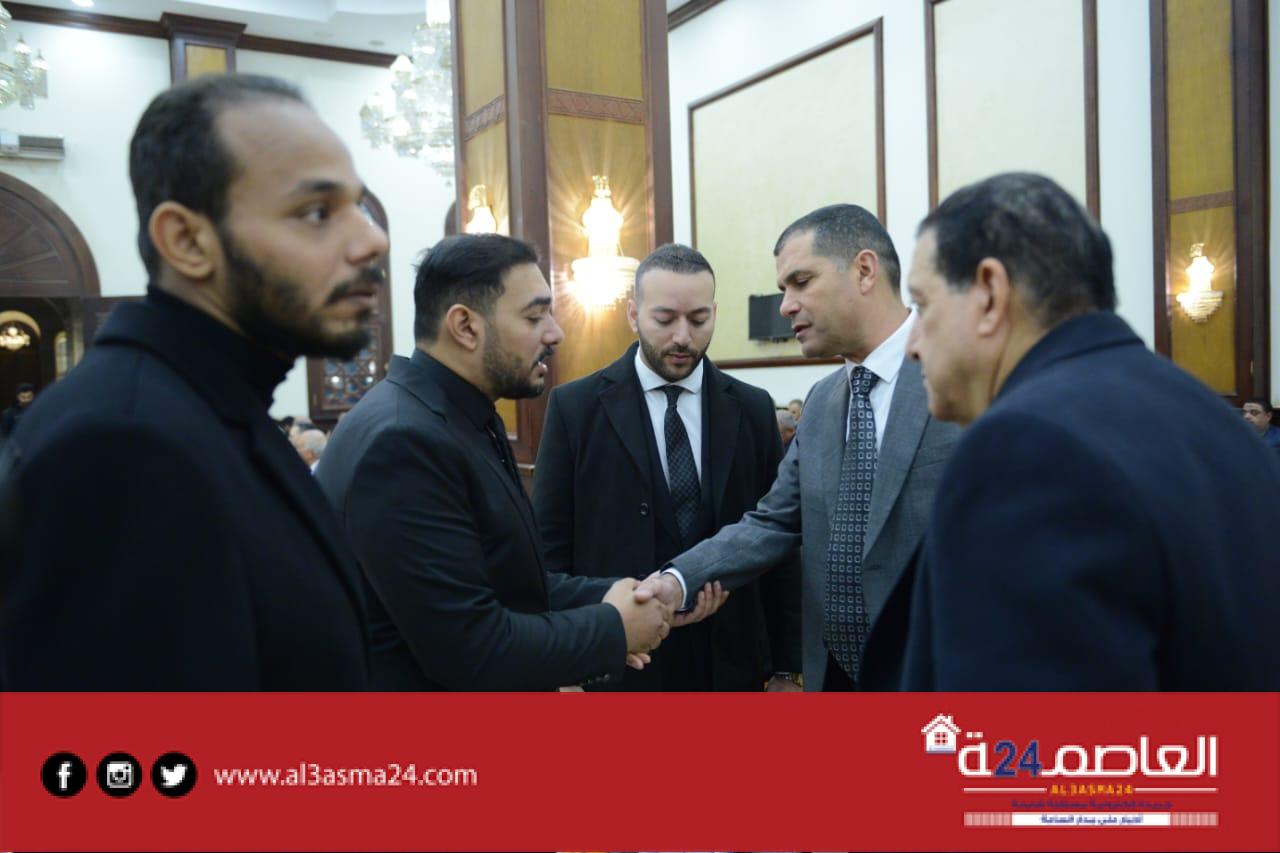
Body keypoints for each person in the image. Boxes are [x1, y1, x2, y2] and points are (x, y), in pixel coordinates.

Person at [0, 74, 386, 690]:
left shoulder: (212, 406)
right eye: (316, 213)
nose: (373, 239)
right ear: (186, 241)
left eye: (358, 208)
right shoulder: (121, 445)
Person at [893, 172, 1280, 689]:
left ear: (989, 293)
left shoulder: (1025, 448)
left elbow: (1025, 737)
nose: (913, 345)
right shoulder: (1212, 419)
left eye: (922, 306)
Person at [316, 234, 725, 691]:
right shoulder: (402, 443)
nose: (555, 333)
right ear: (465, 326)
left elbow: (509, 581)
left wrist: (613, 594)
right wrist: (614, 628)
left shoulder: (461, 419)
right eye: (534, 316)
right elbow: (471, 648)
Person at [639, 204, 961, 691]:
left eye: (801, 282)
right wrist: (676, 581)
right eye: (783, 288)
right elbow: (771, 522)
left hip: (941, 680)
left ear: (864, 270)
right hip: (834, 681)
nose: (786, 305)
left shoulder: (963, 372)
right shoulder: (824, 401)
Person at [534, 244, 801, 692]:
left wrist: (787, 669)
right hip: (618, 670)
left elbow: (780, 544)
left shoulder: (753, 408)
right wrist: (563, 666)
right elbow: (548, 551)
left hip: (731, 665)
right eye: (664, 319)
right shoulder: (574, 408)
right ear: (633, 315)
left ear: (715, 313)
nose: (683, 337)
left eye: (698, 319)